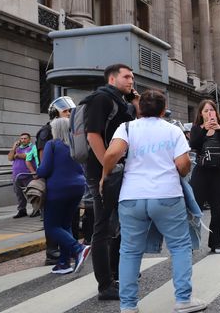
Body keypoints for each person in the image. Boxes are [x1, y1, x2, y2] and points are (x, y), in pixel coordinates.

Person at [101, 90, 206, 313]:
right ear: (162, 108)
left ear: (140, 109)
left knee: (129, 251)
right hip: (167, 194)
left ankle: (128, 305)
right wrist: (181, 170)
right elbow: (183, 163)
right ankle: (183, 299)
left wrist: (104, 175)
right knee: (179, 247)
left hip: (132, 196)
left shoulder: (127, 128)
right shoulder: (172, 130)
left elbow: (111, 155)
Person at [85, 64, 139, 300]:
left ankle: (116, 274)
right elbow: (93, 135)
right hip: (103, 173)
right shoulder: (101, 99)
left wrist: (135, 102)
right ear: (112, 78)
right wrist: (106, 170)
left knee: (122, 224)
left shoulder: (122, 101)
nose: (131, 81)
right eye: (127, 76)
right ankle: (105, 285)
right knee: (103, 227)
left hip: (118, 170)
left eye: (132, 77)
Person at [36, 118, 91, 274]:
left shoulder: (52, 144)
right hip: (78, 187)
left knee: (51, 226)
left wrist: (37, 173)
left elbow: (44, 169)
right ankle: (64, 263)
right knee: (65, 225)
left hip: (58, 189)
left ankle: (78, 249)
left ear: (56, 130)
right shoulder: (75, 145)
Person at [36, 96, 78, 265]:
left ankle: (66, 255)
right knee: (53, 221)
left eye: (70, 111)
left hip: (66, 183)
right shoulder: (47, 131)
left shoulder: (69, 130)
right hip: (53, 183)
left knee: (67, 220)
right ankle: (53, 251)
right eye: (65, 111)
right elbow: (42, 159)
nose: (69, 114)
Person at [189, 100, 220, 254]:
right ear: (201, 113)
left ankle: (217, 242)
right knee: (195, 209)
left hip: (218, 172)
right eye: (205, 111)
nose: (209, 113)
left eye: (211, 110)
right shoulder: (196, 129)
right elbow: (194, 144)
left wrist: (219, 131)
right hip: (201, 171)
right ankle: (190, 243)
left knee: (218, 210)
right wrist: (204, 129)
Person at [7, 133, 39, 218]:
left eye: (25, 138)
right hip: (16, 175)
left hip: (28, 175)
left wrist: (18, 155)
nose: (23, 140)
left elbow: (28, 156)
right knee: (19, 194)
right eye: (21, 139)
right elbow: (10, 158)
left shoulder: (32, 147)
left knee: (32, 193)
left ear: (29, 139)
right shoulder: (17, 148)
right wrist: (14, 147)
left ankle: (36, 209)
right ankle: (22, 210)